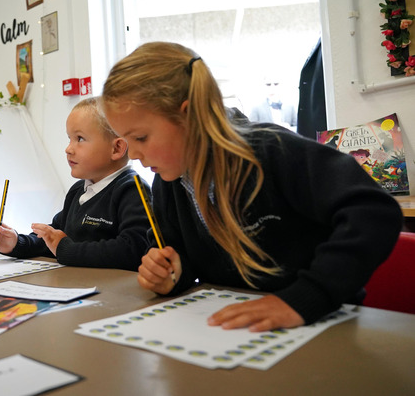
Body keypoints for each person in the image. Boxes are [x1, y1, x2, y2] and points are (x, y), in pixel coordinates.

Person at [100, 42, 403, 332]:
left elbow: (373, 211)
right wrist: (173, 274)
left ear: (188, 115)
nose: (135, 155)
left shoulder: (274, 151)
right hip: (237, 330)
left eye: (140, 138)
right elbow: (189, 259)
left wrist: (306, 297)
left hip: (322, 328)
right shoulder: (168, 182)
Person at [0, 97, 151, 271]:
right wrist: (16, 242)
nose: (68, 149)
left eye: (79, 139)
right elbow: (52, 238)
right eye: (69, 139)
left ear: (116, 149)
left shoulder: (133, 191)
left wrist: (65, 249)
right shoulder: (78, 191)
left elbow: (133, 249)